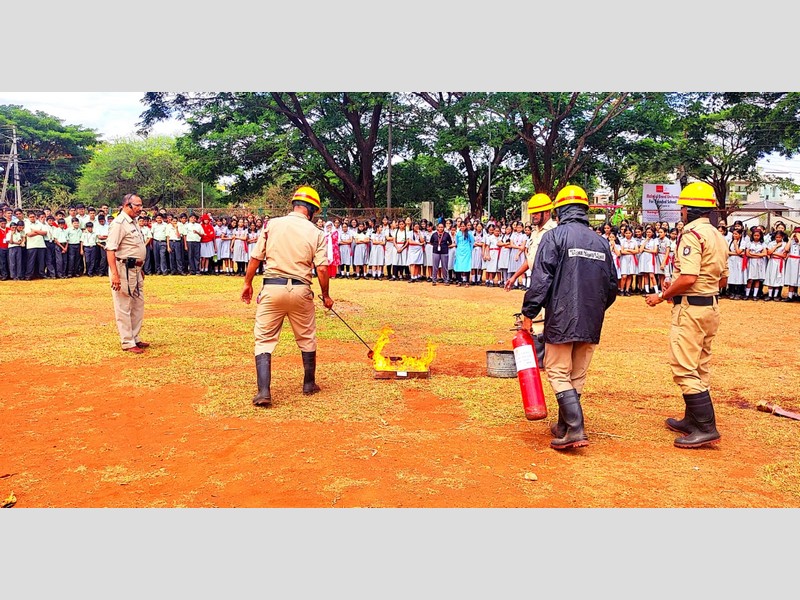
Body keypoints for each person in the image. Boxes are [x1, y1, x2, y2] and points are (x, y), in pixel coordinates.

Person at [520, 184, 617, 451]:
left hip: (562, 318)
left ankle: (575, 429)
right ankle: (564, 425)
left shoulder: (554, 237)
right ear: (585, 210)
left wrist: (529, 313)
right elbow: (612, 288)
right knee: (577, 375)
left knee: (557, 371)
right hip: (591, 318)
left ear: (560, 210)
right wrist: (593, 310)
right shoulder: (601, 242)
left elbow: (541, 280)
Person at [645, 182, 728, 449]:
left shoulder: (692, 234)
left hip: (691, 309)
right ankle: (692, 420)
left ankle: (705, 427)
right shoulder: (717, 235)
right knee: (700, 366)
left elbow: (689, 277)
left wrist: (661, 296)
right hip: (710, 306)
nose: (680, 211)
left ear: (690, 210)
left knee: (683, 367)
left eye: (683, 206)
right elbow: (723, 279)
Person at [240, 186, 334, 407]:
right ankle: (309, 384)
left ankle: (264, 392)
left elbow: (255, 258)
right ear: (311, 210)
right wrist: (326, 296)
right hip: (301, 290)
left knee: (263, 340)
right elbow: (321, 269)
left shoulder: (272, 225)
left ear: (294, 205)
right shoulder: (317, 233)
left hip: (272, 288)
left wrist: (247, 284)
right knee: (306, 336)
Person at [106, 193, 149, 354]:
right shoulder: (119, 223)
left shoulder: (134, 222)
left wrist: (140, 267)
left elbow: (134, 247)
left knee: (138, 304)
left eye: (141, 205)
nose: (140, 209)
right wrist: (115, 275)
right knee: (123, 305)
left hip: (136, 269)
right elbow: (111, 250)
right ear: (126, 205)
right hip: (123, 269)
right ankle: (127, 341)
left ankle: (135, 337)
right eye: (137, 205)